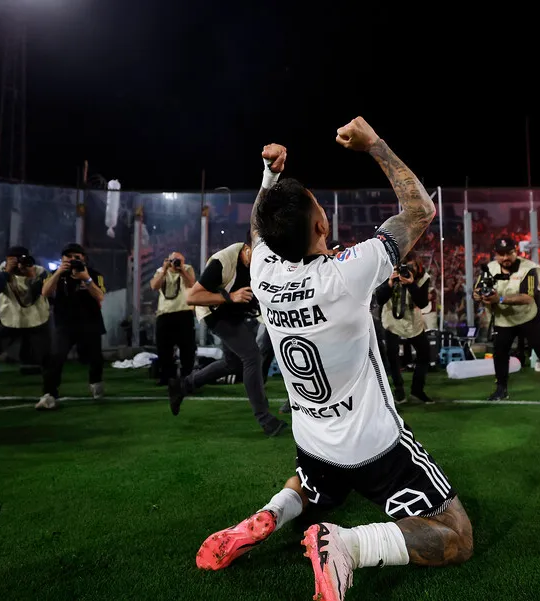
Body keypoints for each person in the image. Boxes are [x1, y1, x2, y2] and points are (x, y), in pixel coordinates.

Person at [195, 118, 473, 601]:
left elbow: (261, 228)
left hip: (312, 437)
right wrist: (376, 146)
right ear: (321, 225)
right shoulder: (349, 271)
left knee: (315, 485)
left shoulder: (261, 270)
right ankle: (346, 545)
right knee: (456, 534)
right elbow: (420, 210)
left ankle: (272, 513)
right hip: (374, 446)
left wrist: (268, 176)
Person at [168, 237, 287, 437]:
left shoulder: (262, 263)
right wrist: (231, 297)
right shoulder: (222, 260)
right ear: (247, 249)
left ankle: (184, 385)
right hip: (213, 312)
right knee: (252, 356)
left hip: (234, 313)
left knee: (233, 364)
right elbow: (193, 297)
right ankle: (266, 419)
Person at [474, 238, 540, 403]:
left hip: (530, 315)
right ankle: (501, 389)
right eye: (501, 254)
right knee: (499, 353)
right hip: (504, 318)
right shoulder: (490, 268)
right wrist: (480, 295)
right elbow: (477, 290)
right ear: (495, 254)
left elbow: (527, 297)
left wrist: (498, 299)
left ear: (516, 252)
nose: (505, 257)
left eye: (509, 253)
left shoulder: (529, 268)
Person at [0, 246, 51, 407]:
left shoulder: (40, 271)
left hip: (35, 319)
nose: (19, 263)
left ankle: (49, 393)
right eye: (14, 259)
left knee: (47, 359)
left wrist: (31, 277)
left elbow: (32, 297)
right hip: (9, 318)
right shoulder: (0, 270)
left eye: (22, 259)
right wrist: (6, 272)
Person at [40, 243, 107, 409]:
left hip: (90, 322)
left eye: (76, 257)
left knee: (95, 358)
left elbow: (100, 296)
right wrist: (58, 273)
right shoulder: (57, 275)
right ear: (62, 259)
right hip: (65, 324)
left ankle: (95, 382)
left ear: (84, 258)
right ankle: (49, 393)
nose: (72, 260)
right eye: (68, 257)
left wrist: (86, 278)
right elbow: (45, 292)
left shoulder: (94, 275)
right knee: (56, 357)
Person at [374, 251, 434, 403]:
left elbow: (422, 303)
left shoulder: (423, 277)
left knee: (424, 353)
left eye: (411, 266)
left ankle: (417, 390)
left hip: (413, 322)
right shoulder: (387, 273)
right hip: (391, 321)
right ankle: (399, 389)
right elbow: (379, 299)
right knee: (392, 356)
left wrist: (411, 284)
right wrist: (389, 283)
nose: (406, 270)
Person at [150, 251, 197, 386]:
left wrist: (181, 270)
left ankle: (186, 376)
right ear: (168, 260)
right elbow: (154, 286)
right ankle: (167, 376)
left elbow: (191, 285)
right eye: (174, 260)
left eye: (179, 260)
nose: (176, 263)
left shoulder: (187, 269)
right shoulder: (161, 271)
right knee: (164, 348)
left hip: (184, 313)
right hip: (165, 313)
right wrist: (164, 270)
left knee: (187, 348)